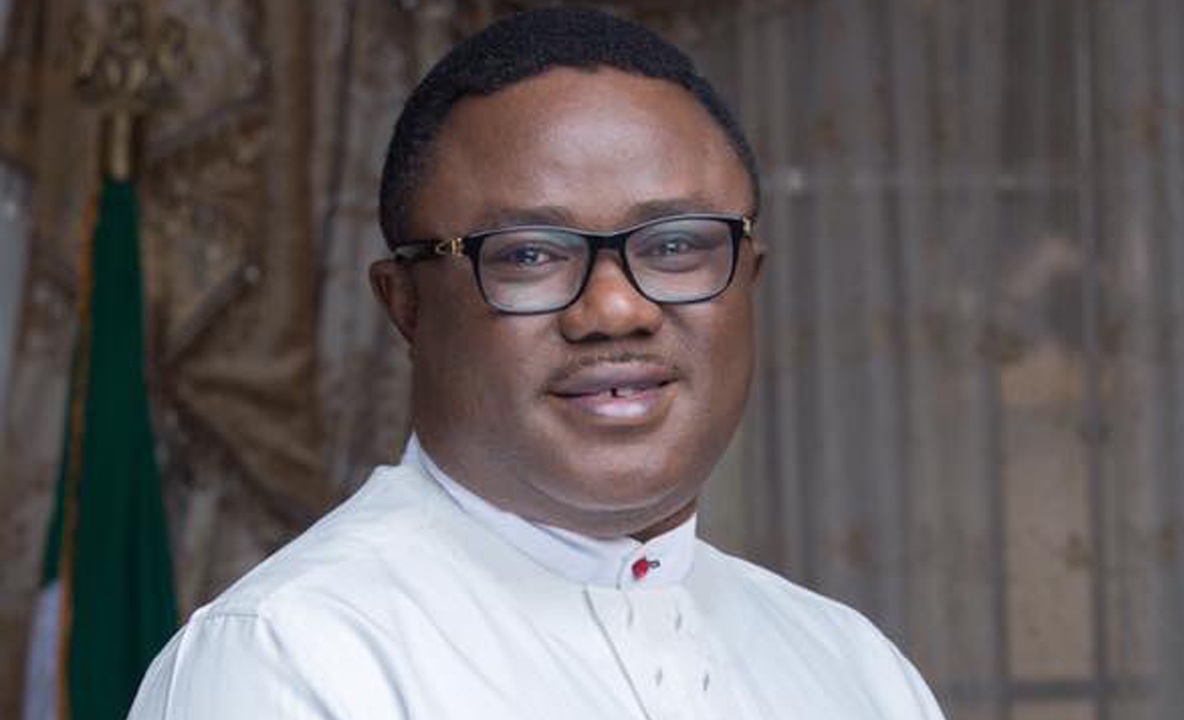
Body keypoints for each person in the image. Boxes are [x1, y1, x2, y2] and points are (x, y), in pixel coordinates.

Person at [128, 8, 945, 719]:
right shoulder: (293, 655)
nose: (616, 309)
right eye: (528, 254)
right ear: (405, 304)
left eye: (674, 246)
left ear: (748, 281)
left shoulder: (854, 669)